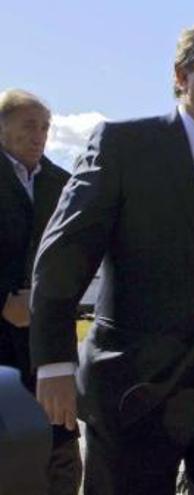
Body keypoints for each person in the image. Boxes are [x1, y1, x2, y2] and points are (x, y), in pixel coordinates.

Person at [28, 17, 194, 494]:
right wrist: (54, 363)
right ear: (181, 75)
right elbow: (63, 256)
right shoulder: (125, 146)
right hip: (135, 391)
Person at [0, 89, 81, 495]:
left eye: (45, 127)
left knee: (61, 457)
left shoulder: (62, 185)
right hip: (2, 347)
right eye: (29, 125)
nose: (40, 135)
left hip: (48, 346)